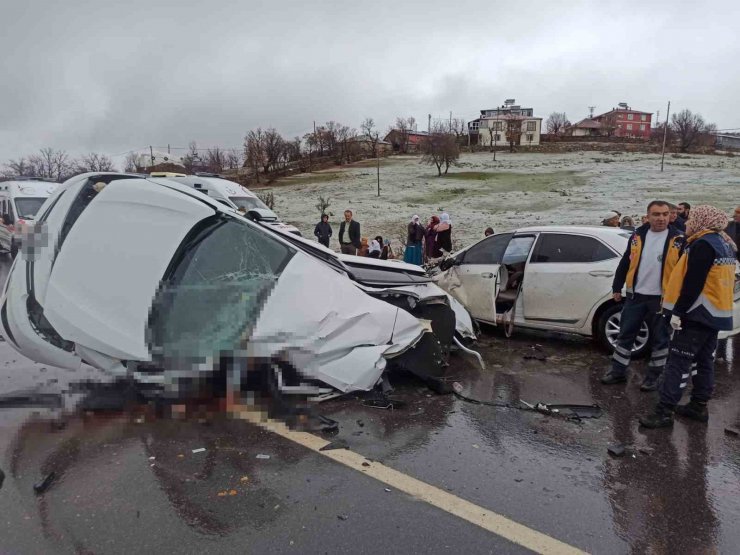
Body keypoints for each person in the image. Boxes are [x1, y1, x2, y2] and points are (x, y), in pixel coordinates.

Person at [639, 205, 737, 428]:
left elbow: (693, 283)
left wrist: (679, 313)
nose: (687, 222)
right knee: (704, 361)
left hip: (696, 314)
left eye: (692, 218)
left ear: (702, 220)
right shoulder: (724, 243)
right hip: (714, 314)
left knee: (678, 362)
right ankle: (698, 406)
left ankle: (664, 411)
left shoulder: (703, 244)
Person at [601, 200, 685, 391]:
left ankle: (653, 377)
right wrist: (617, 285)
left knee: (660, 339)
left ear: (670, 216)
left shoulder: (678, 238)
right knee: (625, 335)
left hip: (661, 299)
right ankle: (617, 372)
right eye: (656, 214)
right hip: (635, 296)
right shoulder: (638, 235)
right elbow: (625, 261)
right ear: (648, 216)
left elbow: (684, 271)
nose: (661, 218)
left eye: (665, 214)